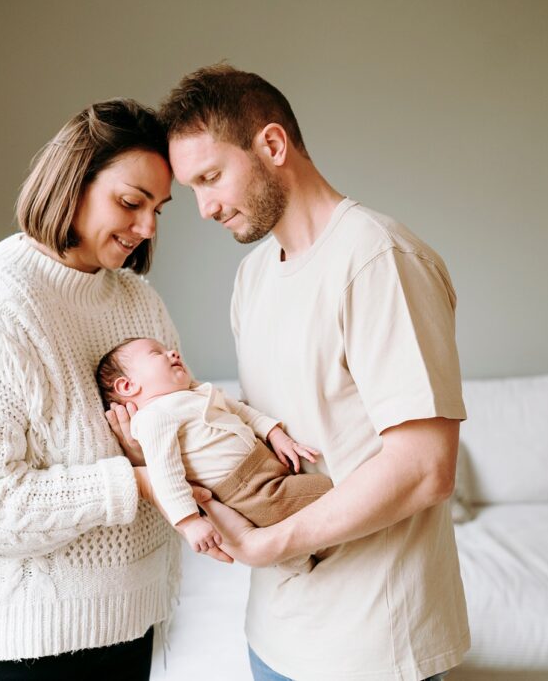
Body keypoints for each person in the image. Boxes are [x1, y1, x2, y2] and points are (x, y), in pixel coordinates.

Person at [0, 98, 225, 681]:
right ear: (72, 182)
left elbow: (178, 420)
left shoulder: (136, 301)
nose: (146, 228)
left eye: (158, 211)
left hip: (122, 631)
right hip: (1, 648)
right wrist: (137, 483)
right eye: (130, 202)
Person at [157, 64, 470, 681]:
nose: (204, 207)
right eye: (192, 187)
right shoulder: (253, 277)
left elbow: (425, 470)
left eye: (212, 177)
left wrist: (268, 545)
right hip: (274, 633)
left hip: (372, 649)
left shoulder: (377, 259)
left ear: (272, 146)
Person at [95, 337, 332, 555]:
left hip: (266, 464)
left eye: (169, 350)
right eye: (157, 353)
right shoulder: (153, 417)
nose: (173, 353)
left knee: (305, 509)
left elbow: (242, 411)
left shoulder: (198, 392)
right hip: (249, 490)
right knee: (330, 490)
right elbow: (164, 474)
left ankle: (299, 557)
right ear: (127, 386)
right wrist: (189, 522)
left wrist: (276, 434)